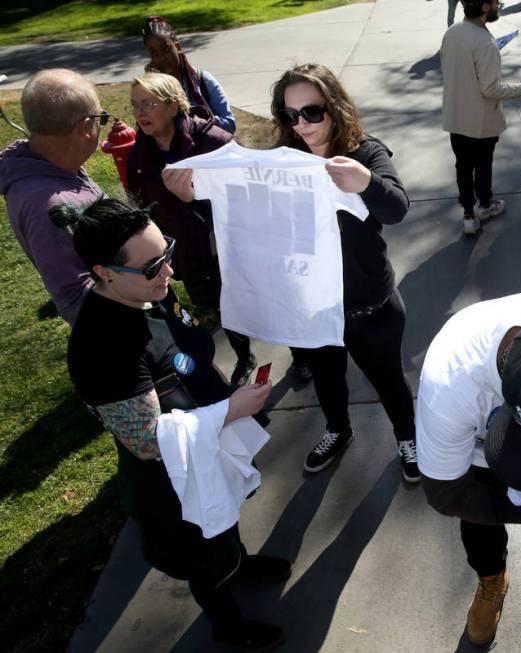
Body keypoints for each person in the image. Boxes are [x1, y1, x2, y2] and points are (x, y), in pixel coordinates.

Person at [51, 198, 288, 652]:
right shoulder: (101, 348)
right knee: (201, 550)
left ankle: (239, 562)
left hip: (209, 440)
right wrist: (229, 411)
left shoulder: (149, 290)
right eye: (153, 265)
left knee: (224, 517)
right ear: (103, 271)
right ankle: (228, 626)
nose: (170, 272)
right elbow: (146, 442)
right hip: (172, 479)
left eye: (167, 252)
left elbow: (185, 349)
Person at [269, 64, 419, 481]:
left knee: (389, 380)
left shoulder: (365, 152)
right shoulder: (285, 162)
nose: (301, 124)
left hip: (369, 302)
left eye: (311, 112)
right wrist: (198, 197)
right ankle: (338, 429)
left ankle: (408, 437)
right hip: (315, 304)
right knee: (327, 380)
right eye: (289, 115)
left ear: (333, 108)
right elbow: (250, 219)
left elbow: (397, 209)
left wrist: (367, 181)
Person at [417, 291, 521, 646]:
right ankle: (491, 577)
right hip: (476, 456)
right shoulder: (449, 387)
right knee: (479, 519)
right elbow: (447, 494)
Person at [128, 72, 256, 386]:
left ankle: (302, 355)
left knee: (262, 299)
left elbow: (251, 193)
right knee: (220, 306)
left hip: (234, 245)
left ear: (173, 107)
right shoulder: (140, 159)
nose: (141, 112)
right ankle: (245, 355)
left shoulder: (213, 142)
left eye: (149, 103)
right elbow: (143, 209)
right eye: (135, 106)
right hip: (190, 254)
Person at [0, 68, 106, 326]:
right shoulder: (48, 206)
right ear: (85, 127)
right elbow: (76, 299)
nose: (102, 123)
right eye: (101, 118)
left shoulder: (55, 165)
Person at [441, 0, 521, 235]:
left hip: (456, 115)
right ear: (485, 7)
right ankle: (484, 205)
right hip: (481, 120)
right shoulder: (485, 43)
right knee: (483, 165)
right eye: (496, 2)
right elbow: (490, 89)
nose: (499, 5)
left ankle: (468, 215)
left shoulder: (452, 32)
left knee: (463, 167)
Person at [142, 15, 237, 134]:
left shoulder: (203, 80)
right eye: (154, 53)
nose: (161, 58)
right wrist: (152, 90)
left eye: (165, 49)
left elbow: (230, 124)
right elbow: (149, 132)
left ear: (177, 46)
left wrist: (197, 122)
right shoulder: (152, 90)